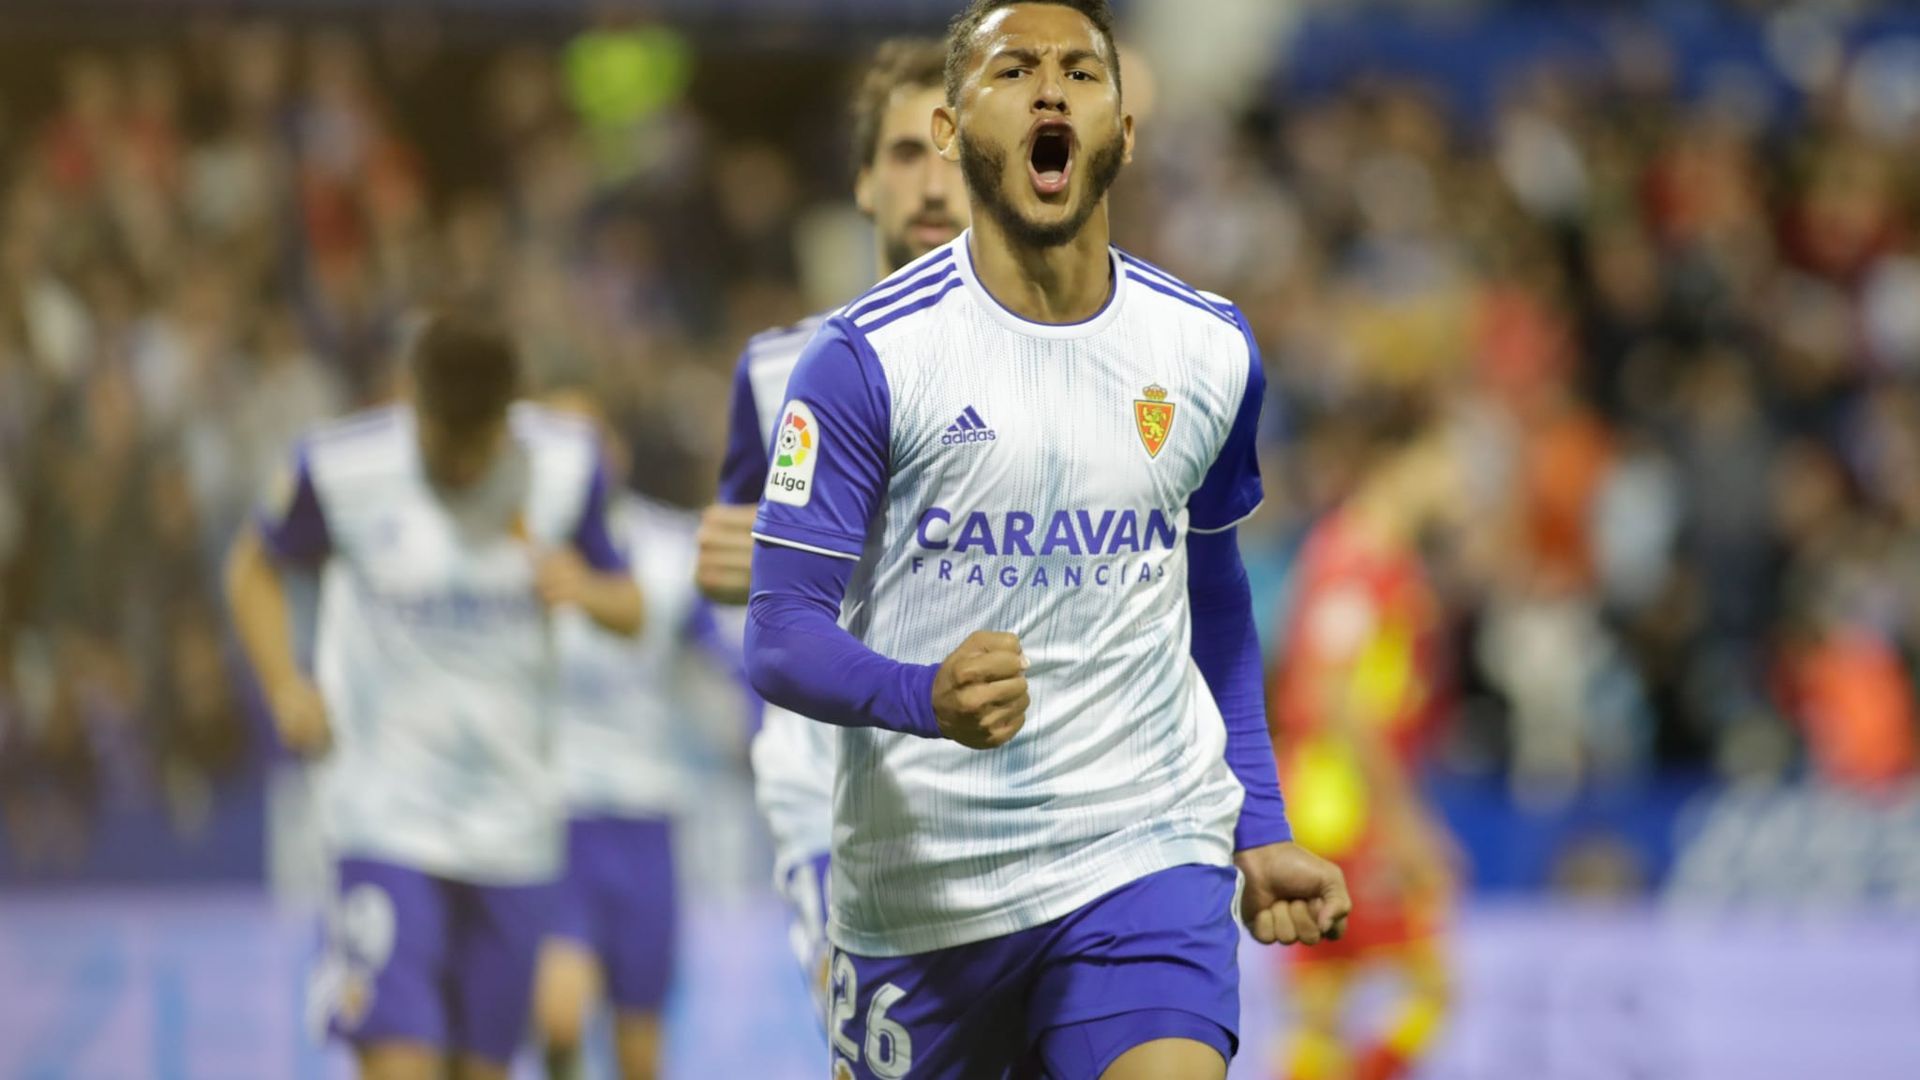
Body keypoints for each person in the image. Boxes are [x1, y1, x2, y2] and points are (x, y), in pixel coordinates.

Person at [741, 4, 1351, 1078]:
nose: (1052, 91)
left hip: (1144, 854)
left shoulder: (1206, 350)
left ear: (1125, 127)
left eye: (1081, 72)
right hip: (924, 897)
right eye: (1014, 70)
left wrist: (1255, 821)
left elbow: (1214, 598)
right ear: (948, 128)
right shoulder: (863, 362)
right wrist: (921, 695)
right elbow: (780, 634)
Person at [224, 313, 642, 1080]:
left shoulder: (564, 467)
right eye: (441, 446)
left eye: (474, 450)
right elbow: (252, 567)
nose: (456, 469)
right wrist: (287, 686)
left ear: (508, 422)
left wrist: (585, 589)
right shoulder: (344, 468)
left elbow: (631, 605)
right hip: (385, 818)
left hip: (513, 827)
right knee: (399, 1061)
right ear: (412, 404)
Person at [694, 37, 969, 1024]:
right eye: (904, 154)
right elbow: (739, 563)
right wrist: (735, 576)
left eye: (953, 150)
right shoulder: (777, 374)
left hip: (1011, 788)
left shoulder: (1072, 364)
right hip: (836, 796)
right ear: (861, 183)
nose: (933, 183)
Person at [1268, 396, 1464, 1080]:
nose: (1456, 480)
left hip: (1333, 804)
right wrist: (1406, 823)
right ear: (1397, 464)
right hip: (1346, 810)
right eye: (1443, 460)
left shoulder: (1376, 559)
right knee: (1430, 990)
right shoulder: (1357, 562)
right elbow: (1335, 698)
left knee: (1322, 1004)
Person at [533, 386, 716, 1080]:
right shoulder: (516, 550)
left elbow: (726, 659)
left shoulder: (670, 547)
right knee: (557, 1018)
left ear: (616, 450)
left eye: (584, 440)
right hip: (560, 816)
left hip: (648, 818)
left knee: (640, 1056)